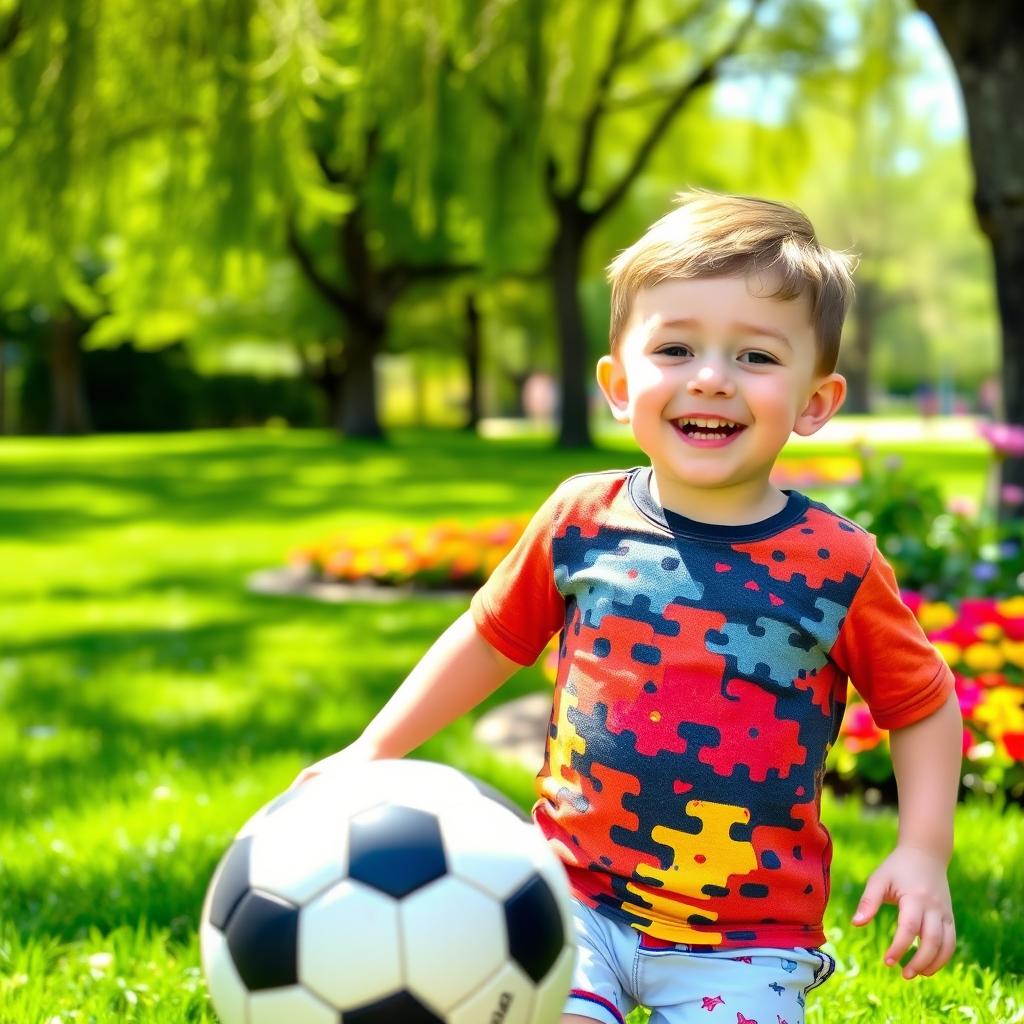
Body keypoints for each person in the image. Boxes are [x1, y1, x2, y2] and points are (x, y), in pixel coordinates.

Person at [294, 190, 963, 1024]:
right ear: (619, 383)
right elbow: (488, 639)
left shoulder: (836, 562)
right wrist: (375, 750)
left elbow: (923, 703)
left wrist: (923, 849)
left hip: (749, 937)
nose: (711, 379)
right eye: (675, 348)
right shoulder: (582, 519)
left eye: (755, 358)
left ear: (816, 403)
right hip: (573, 898)